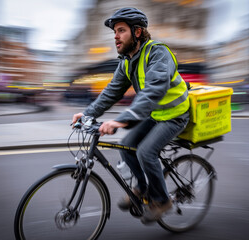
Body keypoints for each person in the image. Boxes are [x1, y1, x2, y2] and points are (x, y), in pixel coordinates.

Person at [72, 7, 190, 224]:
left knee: (146, 152)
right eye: (114, 32)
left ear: (137, 32)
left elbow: (154, 91)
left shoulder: (158, 53)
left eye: (121, 30)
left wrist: (122, 119)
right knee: (127, 145)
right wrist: (87, 114)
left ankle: (163, 200)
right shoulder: (126, 61)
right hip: (155, 114)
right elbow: (111, 92)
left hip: (174, 115)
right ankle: (142, 188)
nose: (115, 36)